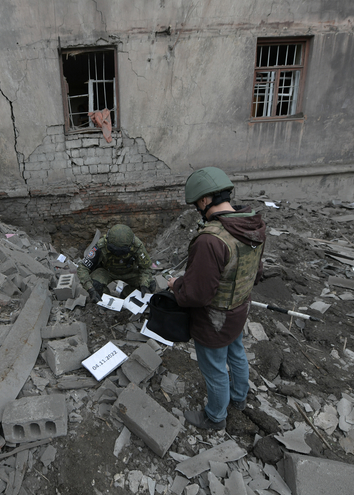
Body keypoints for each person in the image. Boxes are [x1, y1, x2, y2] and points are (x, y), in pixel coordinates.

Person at [167, 167, 266, 430]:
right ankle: (239, 399)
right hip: (239, 308)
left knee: (215, 370)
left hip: (215, 319)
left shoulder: (210, 240)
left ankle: (215, 417)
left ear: (203, 201)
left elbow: (197, 295)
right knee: (236, 354)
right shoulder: (251, 224)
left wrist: (176, 285)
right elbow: (256, 271)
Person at [77, 224, 155, 302]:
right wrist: (90, 289)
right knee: (95, 285)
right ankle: (105, 300)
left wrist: (144, 284)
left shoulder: (137, 246)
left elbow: (146, 268)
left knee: (149, 285)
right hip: (108, 271)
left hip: (130, 272)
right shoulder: (102, 245)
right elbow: (83, 267)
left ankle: (126, 294)